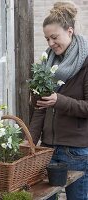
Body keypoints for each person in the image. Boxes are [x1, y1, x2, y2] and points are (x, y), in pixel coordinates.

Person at [29, 1, 88, 200]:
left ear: (69, 31)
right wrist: (29, 143)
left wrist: (58, 100)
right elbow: (39, 109)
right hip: (46, 149)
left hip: (76, 151)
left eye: (54, 37)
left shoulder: (86, 62)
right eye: (47, 39)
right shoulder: (46, 63)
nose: (51, 44)